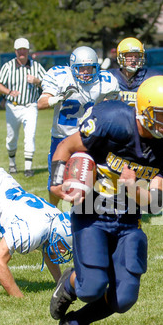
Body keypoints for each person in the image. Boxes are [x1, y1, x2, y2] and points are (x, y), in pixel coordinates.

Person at [49, 75, 163, 325]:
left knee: (123, 298)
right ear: (144, 110)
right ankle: (70, 283)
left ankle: (75, 323)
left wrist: (133, 188)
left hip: (128, 219)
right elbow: (66, 146)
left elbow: (157, 201)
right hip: (92, 210)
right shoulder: (112, 121)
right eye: (162, 114)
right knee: (91, 287)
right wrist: (57, 182)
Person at [0, 159, 73, 298]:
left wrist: (60, 285)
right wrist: (20, 299)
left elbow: (47, 246)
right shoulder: (31, 230)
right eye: (63, 245)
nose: (63, 251)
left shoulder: (53, 220)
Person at [37, 46, 120, 206]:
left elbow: (113, 107)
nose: (86, 72)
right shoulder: (60, 76)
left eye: (90, 68)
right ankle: (53, 212)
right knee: (55, 182)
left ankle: (84, 214)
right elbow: (41, 103)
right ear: (72, 67)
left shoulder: (106, 81)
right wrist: (57, 98)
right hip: (62, 137)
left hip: (89, 138)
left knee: (89, 179)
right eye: (81, 68)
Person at [0, 38, 46, 177]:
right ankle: (12, 164)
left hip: (30, 106)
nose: (22, 52)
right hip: (13, 107)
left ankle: (28, 168)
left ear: (28, 50)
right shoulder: (8, 66)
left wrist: (37, 81)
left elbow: (47, 83)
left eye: (24, 49)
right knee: (12, 137)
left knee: (30, 136)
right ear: (15, 51)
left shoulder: (36, 66)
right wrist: (9, 92)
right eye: (19, 49)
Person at [109, 37, 161, 107]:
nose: (133, 60)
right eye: (130, 56)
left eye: (136, 56)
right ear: (121, 57)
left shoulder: (150, 77)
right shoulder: (110, 77)